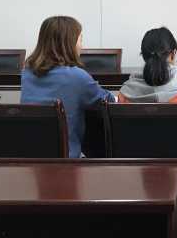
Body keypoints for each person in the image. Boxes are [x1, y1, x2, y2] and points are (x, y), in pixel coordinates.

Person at [21, 16, 114, 158]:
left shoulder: (27, 73)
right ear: (69, 43)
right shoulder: (77, 77)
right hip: (67, 162)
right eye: (80, 39)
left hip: (32, 160)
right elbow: (109, 102)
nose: (82, 46)